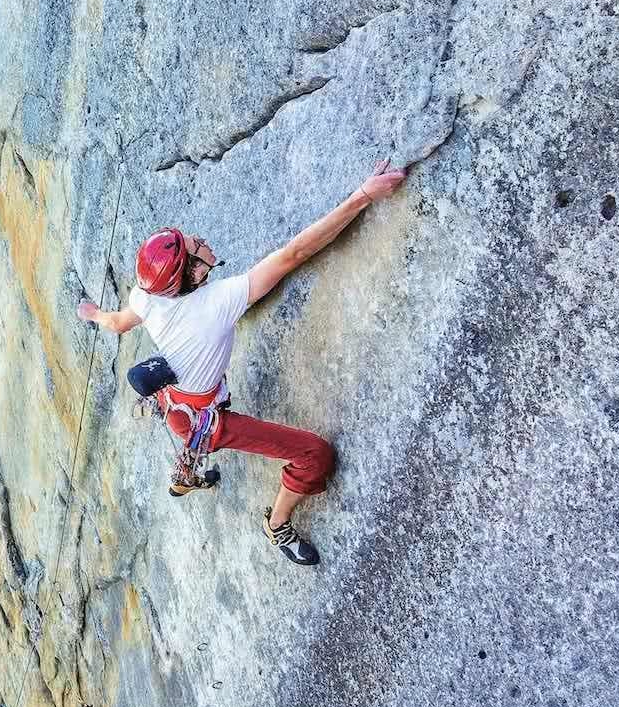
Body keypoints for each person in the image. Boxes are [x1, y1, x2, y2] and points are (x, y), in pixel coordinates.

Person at [76, 160, 407, 565]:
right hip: (204, 419)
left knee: (190, 436)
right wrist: (364, 196)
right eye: (192, 246)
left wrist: (93, 314)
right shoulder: (219, 302)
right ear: (195, 273)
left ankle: (190, 475)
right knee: (314, 456)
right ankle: (277, 525)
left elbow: (117, 323)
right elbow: (295, 254)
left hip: (179, 401)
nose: (197, 238)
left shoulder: (148, 295)